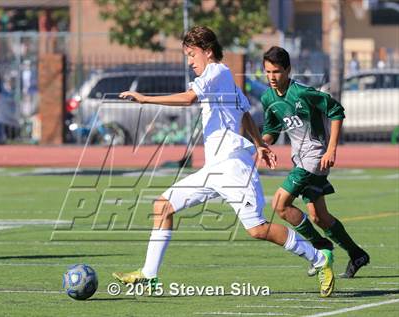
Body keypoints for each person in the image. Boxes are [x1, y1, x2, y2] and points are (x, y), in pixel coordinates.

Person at [113, 27, 335, 297]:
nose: (189, 61)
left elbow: (189, 98)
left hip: (233, 168)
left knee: (257, 229)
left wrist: (145, 98)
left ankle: (319, 258)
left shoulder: (216, 72)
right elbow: (244, 115)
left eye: (192, 54)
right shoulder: (223, 77)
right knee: (163, 206)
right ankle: (149, 274)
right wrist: (260, 144)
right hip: (213, 169)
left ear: (207, 52)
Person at [260, 46, 370, 278]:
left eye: (277, 72)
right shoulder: (268, 97)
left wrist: (331, 150)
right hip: (300, 160)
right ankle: (356, 253)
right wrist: (260, 144)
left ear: (288, 70)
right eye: (268, 72)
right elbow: (272, 130)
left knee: (280, 204)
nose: (271, 77)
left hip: (315, 157)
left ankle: (320, 247)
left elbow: (336, 111)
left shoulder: (302, 93)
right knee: (318, 216)